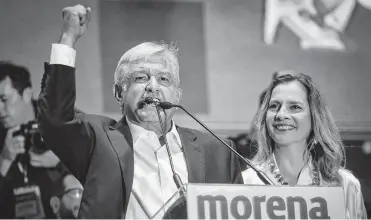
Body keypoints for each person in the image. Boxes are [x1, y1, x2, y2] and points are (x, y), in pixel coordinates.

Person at [37, 5, 242, 218]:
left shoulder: (219, 152)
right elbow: (55, 118)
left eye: (164, 79)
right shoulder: (98, 141)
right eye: (141, 78)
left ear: (176, 96)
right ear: (119, 93)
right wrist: (68, 38)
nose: (153, 86)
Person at [242, 71, 367, 219]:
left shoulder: (346, 184)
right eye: (274, 106)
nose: (281, 114)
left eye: (294, 107)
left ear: (314, 118)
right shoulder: (244, 183)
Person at [0, 61, 70, 218]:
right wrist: (4, 160)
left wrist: (62, 162)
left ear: (26, 94)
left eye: (4, 99)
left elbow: (99, 167)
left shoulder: (60, 121)